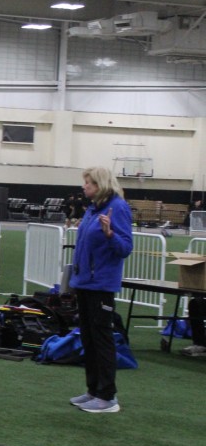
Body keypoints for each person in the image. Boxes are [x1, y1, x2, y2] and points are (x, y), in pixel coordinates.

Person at [68, 166, 133, 414]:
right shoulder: (93, 209)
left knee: (102, 339)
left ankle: (108, 397)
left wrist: (109, 234)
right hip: (84, 282)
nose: (84, 186)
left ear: (100, 184)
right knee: (88, 338)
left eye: (89, 183)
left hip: (101, 285)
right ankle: (93, 390)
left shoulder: (118, 208)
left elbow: (125, 248)